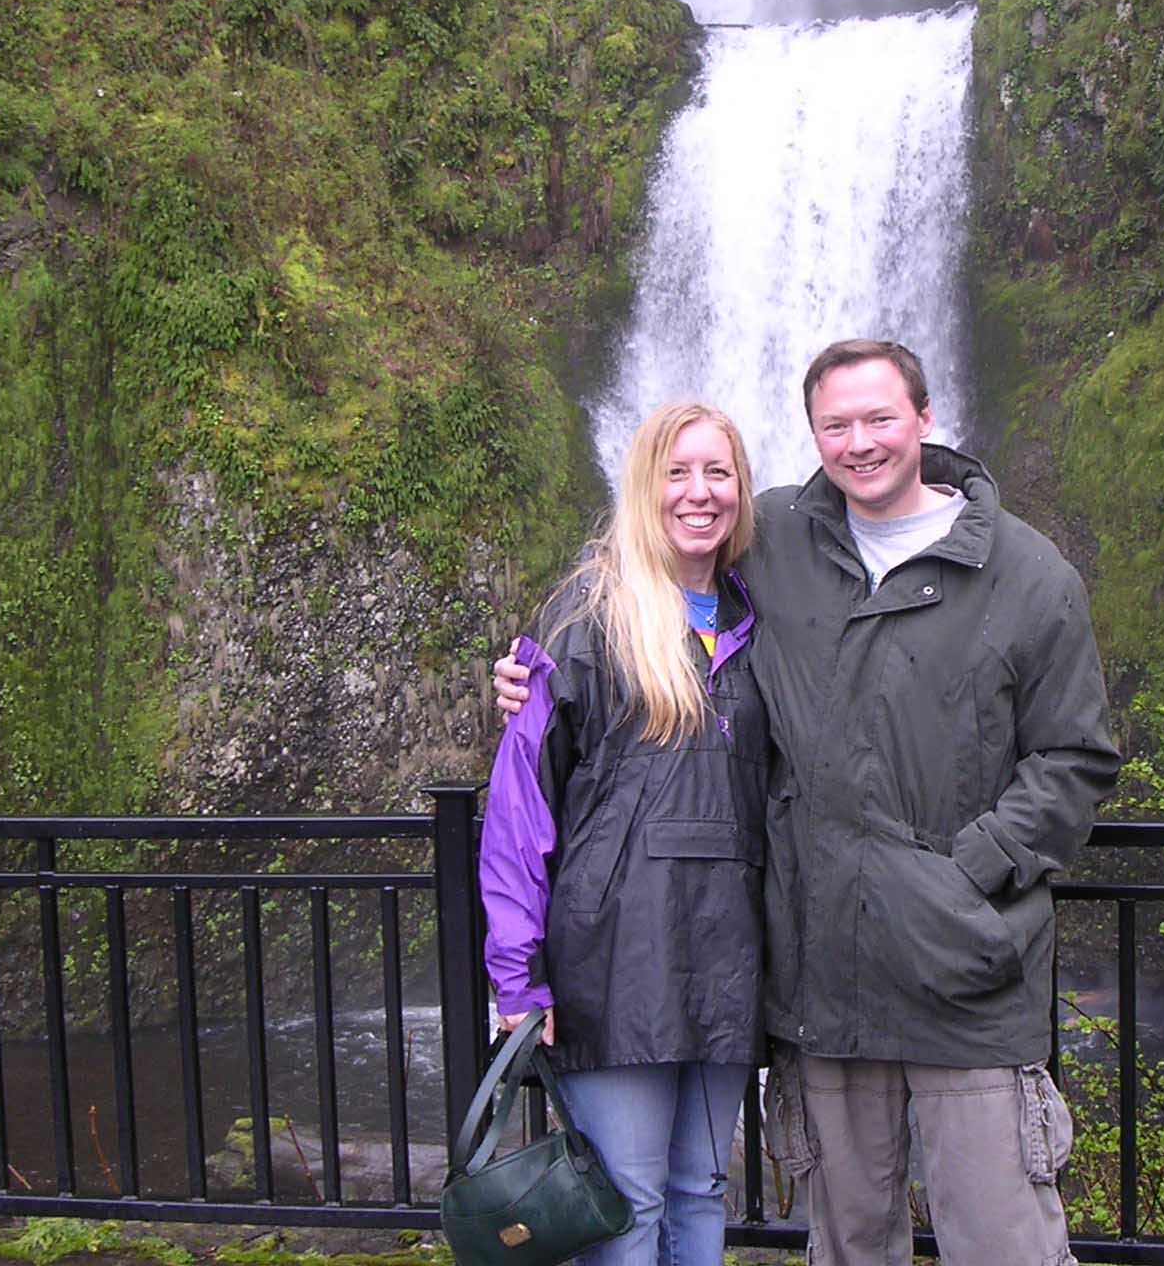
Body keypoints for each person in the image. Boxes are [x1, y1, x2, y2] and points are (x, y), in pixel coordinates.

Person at [498, 340, 1121, 1266]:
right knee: (836, 1241)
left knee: (998, 1241)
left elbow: (1075, 757)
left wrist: (972, 873)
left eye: (879, 418)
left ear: (925, 418)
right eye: (836, 424)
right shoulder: (777, 543)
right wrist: (532, 676)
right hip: (816, 977)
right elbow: (647, 574)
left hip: (962, 967)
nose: (860, 442)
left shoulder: (1028, 576)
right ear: (812, 435)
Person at [477, 400, 769, 1266]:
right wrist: (517, 977)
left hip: (726, 954)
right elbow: (518, 810)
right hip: (613, 959)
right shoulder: (584, 619)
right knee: (629, 1203)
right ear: (643, 484)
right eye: (676, 472)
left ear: (742, 489)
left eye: (718, 472)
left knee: (702, 1191)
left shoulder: (760, 620)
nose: (699, 492)